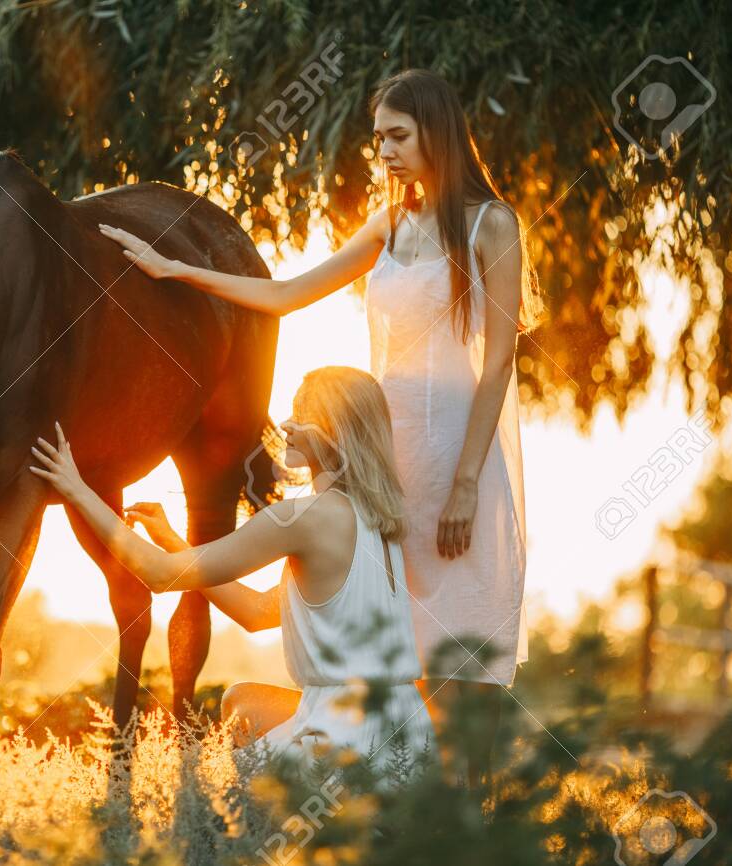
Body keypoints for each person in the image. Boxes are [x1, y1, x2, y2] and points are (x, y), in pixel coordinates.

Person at [98, 68, 543, 783]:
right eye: (378, 139)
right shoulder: (389, 225)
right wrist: (177, 271)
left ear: (437, 130)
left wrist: (464, 484)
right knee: (396, 646)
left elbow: (497, 364)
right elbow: (283, 294)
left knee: (465, 659)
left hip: (462, 459)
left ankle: (471, 823)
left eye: (398, 135)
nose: (386, 152)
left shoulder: (493, 224)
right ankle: (394, 802)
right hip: (385, 461)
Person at [29, 367, 436, 781]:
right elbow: (257, 612)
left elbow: (156, 575)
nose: (287, 426)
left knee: (227, 802)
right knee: (242, 701)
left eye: (303, 414)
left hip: (345, 742)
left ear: (334, 431)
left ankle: (275, 811)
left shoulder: (303, 519)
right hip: (406, 735)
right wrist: (175, 541)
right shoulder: (379, 520)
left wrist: (78, 489)